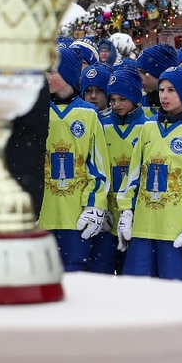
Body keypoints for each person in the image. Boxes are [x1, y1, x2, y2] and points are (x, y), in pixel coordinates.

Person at [117, 66, 182, 281]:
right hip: (143, 228)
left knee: (173, 298)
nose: (164, 96)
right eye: (162, 89)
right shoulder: (148, 128)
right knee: (136, 291)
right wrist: (126, 210)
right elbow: (133, 173)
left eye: (172, 90)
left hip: (175, 231)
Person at [40, 45, 112, 274]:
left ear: (70, 75)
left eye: (53, 71)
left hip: (76, 215)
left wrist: (94, 204)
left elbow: (99, 166)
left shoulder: (88, 114)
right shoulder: (39, 110)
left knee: (75, 273)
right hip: (44, 213)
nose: (47, 76)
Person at [101, 62, 147, 276]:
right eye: (112, 99)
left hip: (138, 217)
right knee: (103, 272)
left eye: (123, 99)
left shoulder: (149, 127)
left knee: (133, 276)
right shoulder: (102, 126)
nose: (116, 104)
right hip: (108, 215)